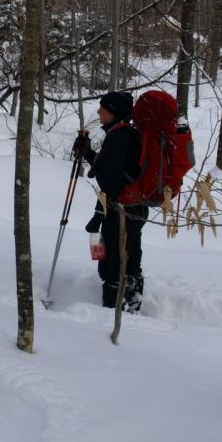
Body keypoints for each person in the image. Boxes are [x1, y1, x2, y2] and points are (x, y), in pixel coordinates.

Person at [73, 91, 149, 311]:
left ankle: (113, 309)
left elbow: (111, 183)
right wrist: (88, 154)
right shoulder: (128, 133)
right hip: (136, 208)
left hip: (120, 210)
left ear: (114, 112)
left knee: (112, 263)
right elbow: (114, 170)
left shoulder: (118, 137)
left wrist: (98, 215)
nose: (99, 111)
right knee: (131, 255)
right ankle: (132, 303)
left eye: (102, 108)